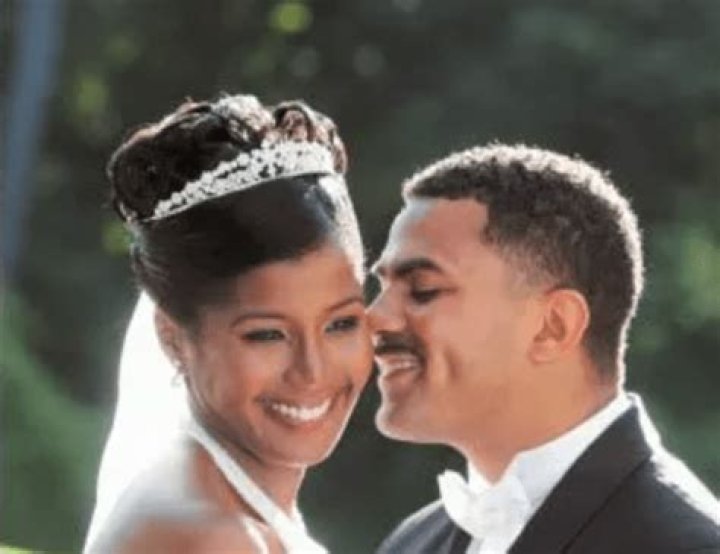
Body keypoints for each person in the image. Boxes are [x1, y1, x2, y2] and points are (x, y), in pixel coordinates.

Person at [369, 144, 720, 553]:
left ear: (553, 327)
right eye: (382, 287)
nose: (374, 317)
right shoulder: (410, 543)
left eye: (423, 289)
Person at [84, 94, 373, 553]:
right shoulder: (216, 537)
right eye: (267, 334)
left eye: (340, 324)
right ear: (171, 338)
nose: (312, 371)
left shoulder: (220, 505)